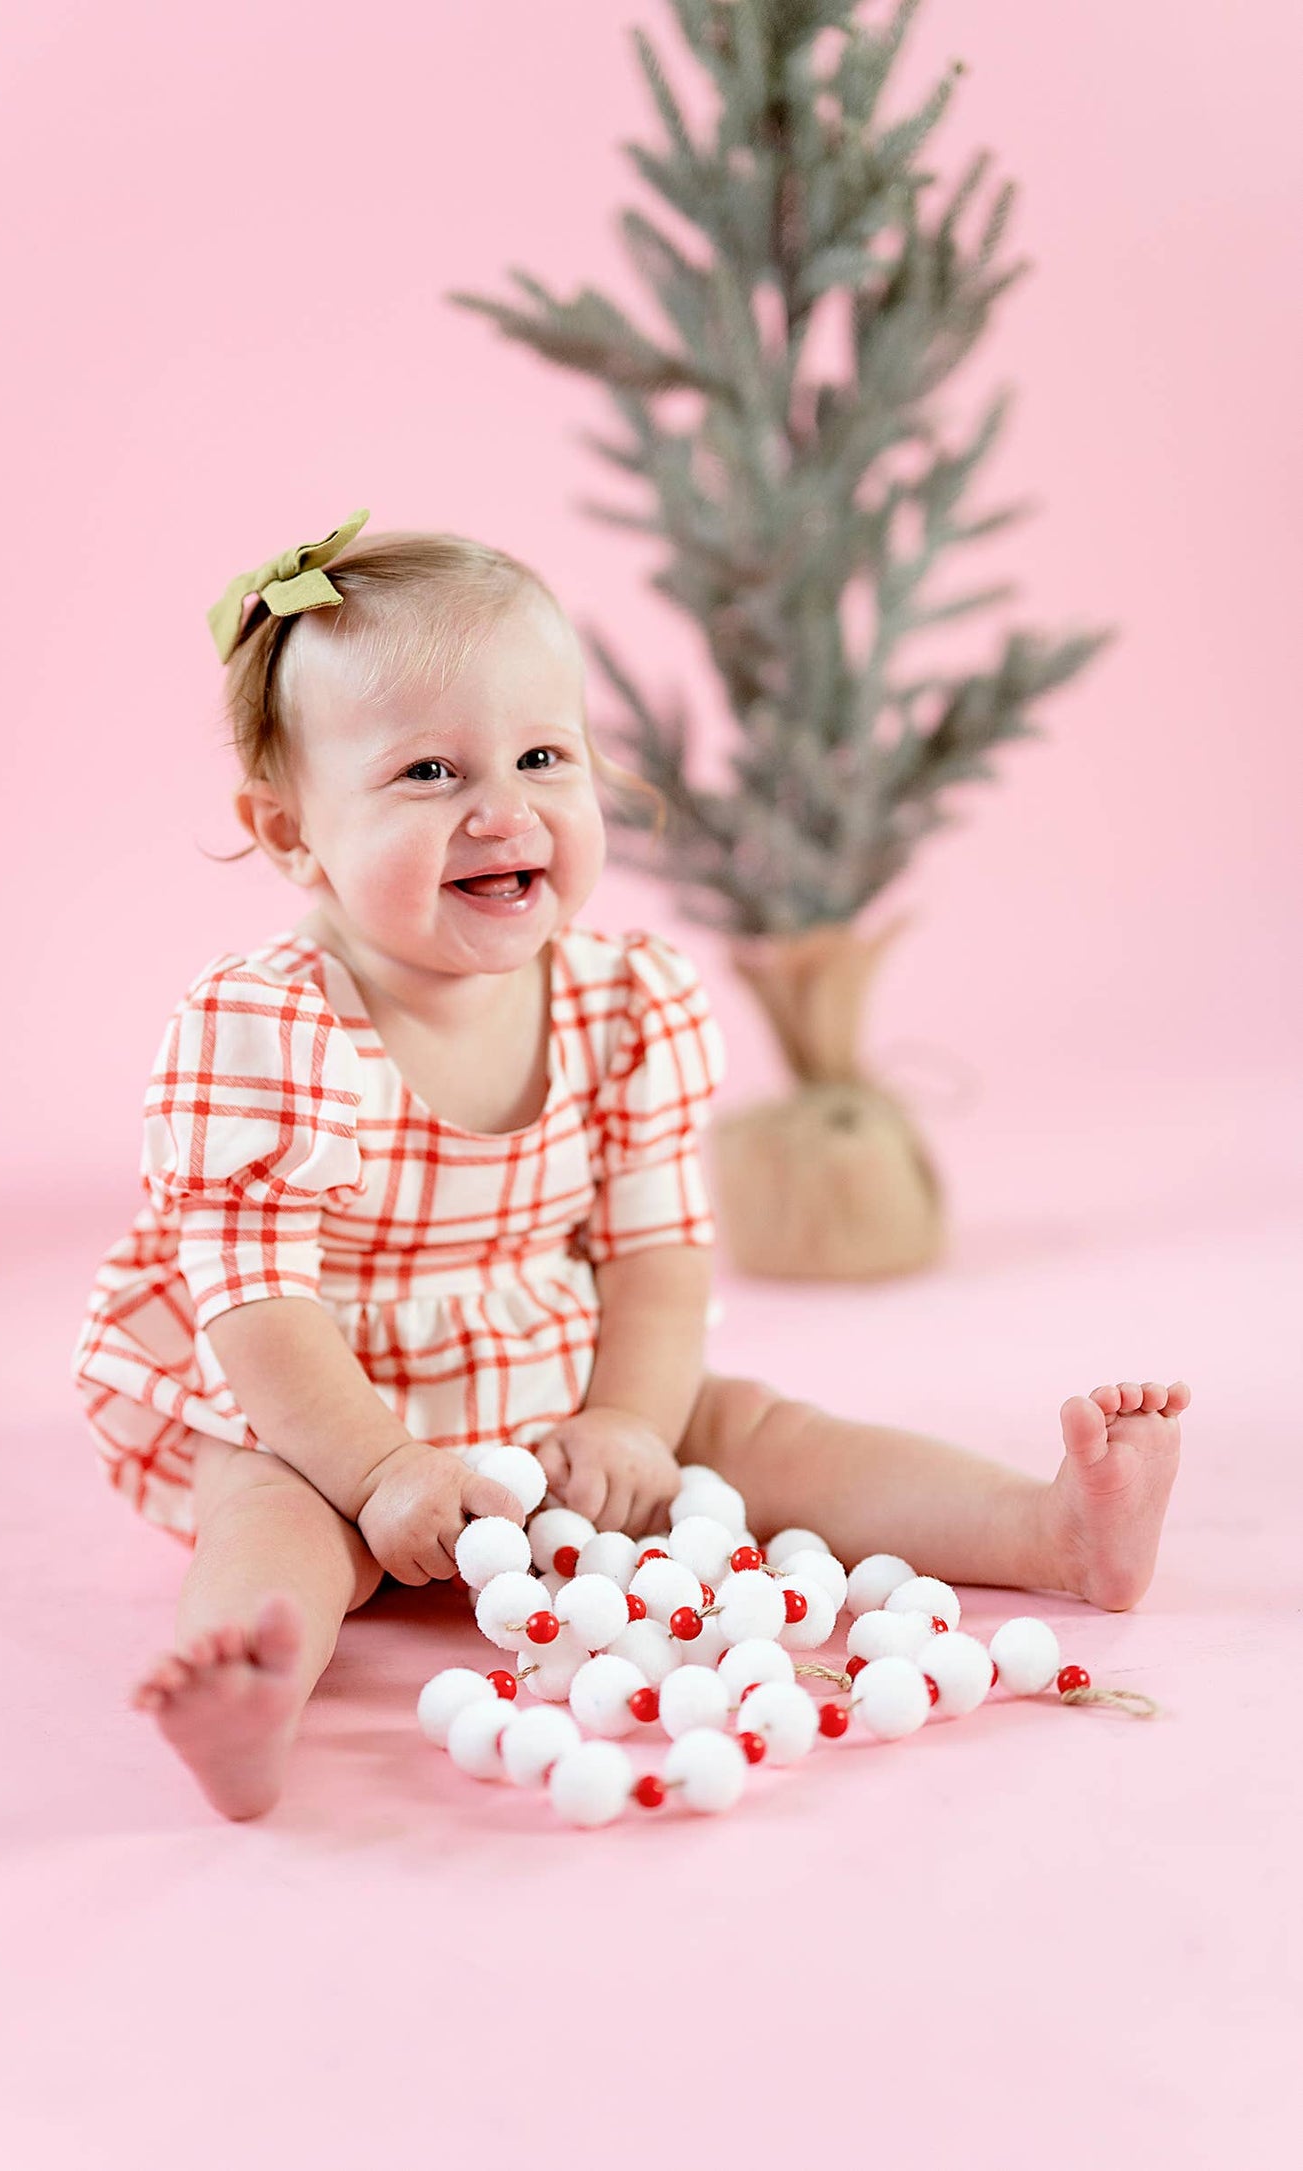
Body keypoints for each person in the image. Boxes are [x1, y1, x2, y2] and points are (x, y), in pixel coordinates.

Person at [71, 514, 1189, 1821]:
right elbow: (256, 1305)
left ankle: (1048, 1531)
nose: (503, 809)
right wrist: (378, 1474)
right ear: (289, 831)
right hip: (315, 1402)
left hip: (548, 1369)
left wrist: (625, 1423)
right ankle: (251, 1681)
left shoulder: (625, 1000)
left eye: (544, 755)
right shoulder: (264, 1023)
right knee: (271, 1518)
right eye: (428, 772)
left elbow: (657, 1259)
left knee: (758, 1431)